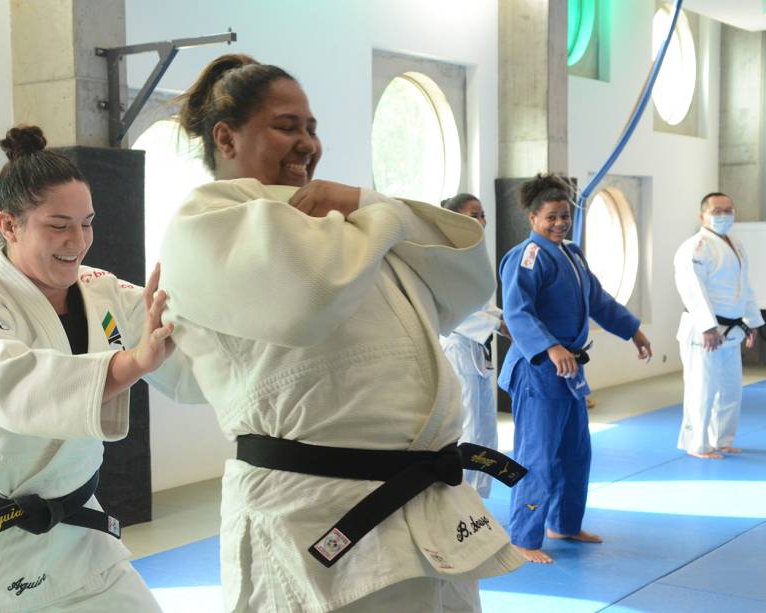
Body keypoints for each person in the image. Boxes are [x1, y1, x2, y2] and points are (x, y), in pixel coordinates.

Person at [159, 54, 526, 612]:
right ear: (227, 138)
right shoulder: (206, 219)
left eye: (312, 127)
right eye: (287, 126)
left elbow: (466, 283)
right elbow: (309, 300)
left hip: (425, 506)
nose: (307, 142)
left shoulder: (341, 222)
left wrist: (369, 203)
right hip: (318, 506)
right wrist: (374, 217)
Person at [0, 126, 202, 612]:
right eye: (59, 225)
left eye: (87, 223)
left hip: (72, 537)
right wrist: (130, 363)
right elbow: (23, 389)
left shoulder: (103, 292)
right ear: (9, 225)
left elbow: (180, 350)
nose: (79, 240)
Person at [497, 174, 652, 564]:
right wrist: (549, 346)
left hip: (568, 371)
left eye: (565, 216)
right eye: (551, 217)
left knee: (575, 452)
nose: (560, 224)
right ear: (533, 218)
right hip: (538, 371)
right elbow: (517, 312)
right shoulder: (526, 257)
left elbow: (598, 300)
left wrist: (633, 330)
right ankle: (523, 536)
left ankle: (564, 523)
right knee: (537, 456)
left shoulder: (573, 254)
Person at [673, 192, 762, 459]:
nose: (724, 215)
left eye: (728, 210)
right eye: (717, 210)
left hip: (732, 330)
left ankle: (723, 439)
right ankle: (698, 445)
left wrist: (752, 323)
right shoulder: (696, 246)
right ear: (703, 216)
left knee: (731, 389)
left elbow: (745, 288)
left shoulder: (736, 245)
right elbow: (692, 289)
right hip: (705, 332)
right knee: (702, 389)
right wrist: (707, 326)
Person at [439, 193, 508, 499]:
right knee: (466, 428)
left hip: (477, 351)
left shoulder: (472, 255)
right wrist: (498, 324)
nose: (480, 221)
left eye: (482, 215)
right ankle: (461, 498)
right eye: (472, 215)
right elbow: (451, 307)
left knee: (485, 428)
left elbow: (481, 304)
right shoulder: (441, 256)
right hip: (456, 349)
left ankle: (479, 498)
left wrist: (506, 319)